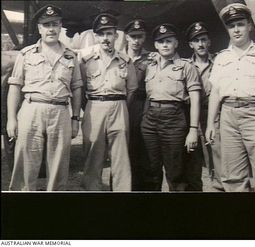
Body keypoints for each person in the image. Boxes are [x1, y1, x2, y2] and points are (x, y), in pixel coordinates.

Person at [206, 3, 255, 192]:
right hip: (228, 116)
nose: (236, 30)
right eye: (231, 26)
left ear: (249, 25)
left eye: (240, 24)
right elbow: (215, 92)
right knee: (232, 175)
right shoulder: (221, 58)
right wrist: (210, 124)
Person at [7, 5, 83, 191]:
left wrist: (75, 120)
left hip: (60, 111)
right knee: (26, 162)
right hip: (32, 110)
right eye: (46, 25)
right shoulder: (26, 54)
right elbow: (15, 87)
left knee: (58, 165)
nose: (51, 29)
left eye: (55, 24)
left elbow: (77, 88)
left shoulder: (70, 56)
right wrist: (11, 119)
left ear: (60, 26)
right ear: (39, 28)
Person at [78, 13, 138, 191]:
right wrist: (90, 106)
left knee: (121, 157)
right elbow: (80, 88)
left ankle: (122, 195)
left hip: (119, 107)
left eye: (109, 33)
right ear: (96, 36)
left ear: (116, 36)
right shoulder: (85, 60)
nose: (105, 38)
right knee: (93, 154)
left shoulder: (125, 61)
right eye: (101, 34)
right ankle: (92, 192)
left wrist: (120, 106)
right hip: (94, 106)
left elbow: (132, 89)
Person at [141, 23, 201, 191]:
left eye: (168, 41)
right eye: (160, 42)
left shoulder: (186, 66)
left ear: (176, 43)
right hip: (150, 120)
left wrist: (193, 129)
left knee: (175, 171)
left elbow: (195, 99)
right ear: (155, 45)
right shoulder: (150, 66)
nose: (165, 45)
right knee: (151, 169)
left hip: (174, 120)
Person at [184, 22, 224, 191]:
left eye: (203, 39)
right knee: (192, 157)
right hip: (190, 115)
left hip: (212, 113)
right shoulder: (184, 64)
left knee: (218, 153)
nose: (200, 44)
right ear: (190, 44)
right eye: (196, 40)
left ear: (209, 42)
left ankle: (220, 187)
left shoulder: (220, 61)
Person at [122, 19, 151, 191]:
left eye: (139, 36)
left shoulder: (152, 58)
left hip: (143, 107)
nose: (136, 41)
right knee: (122, 151)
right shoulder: (118, 57)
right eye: (133, 36)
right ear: (126, 37)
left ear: (145, 37)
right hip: (122, 105)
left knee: (144, 152)